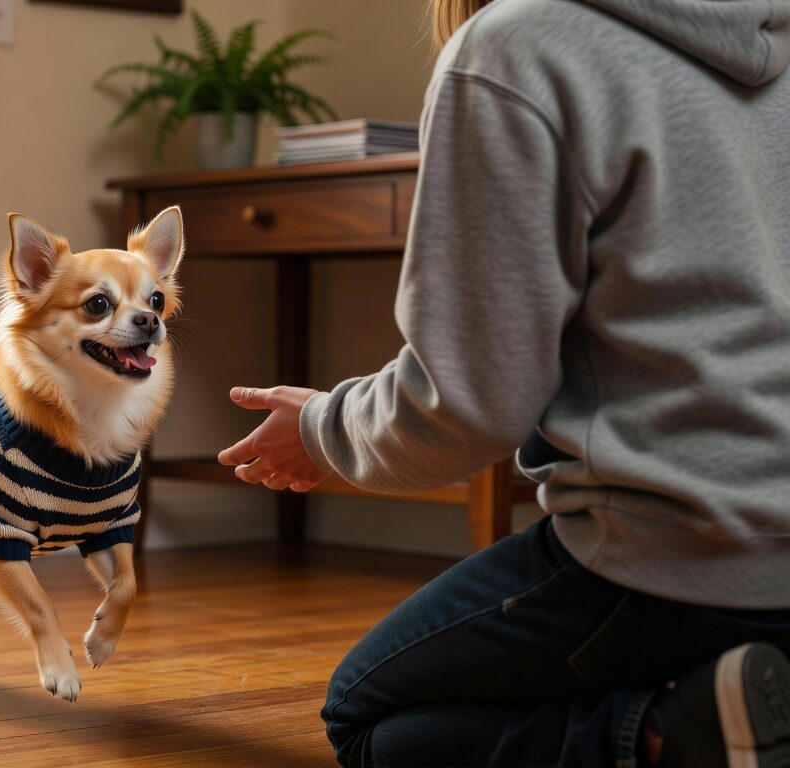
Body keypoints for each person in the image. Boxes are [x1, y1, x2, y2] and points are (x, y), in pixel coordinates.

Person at [217, 0, 790, 765]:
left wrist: (324, 427)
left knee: (363, 715)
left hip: (678, 548)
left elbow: (467, 409)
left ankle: (667, 739)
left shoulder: (516, 48)